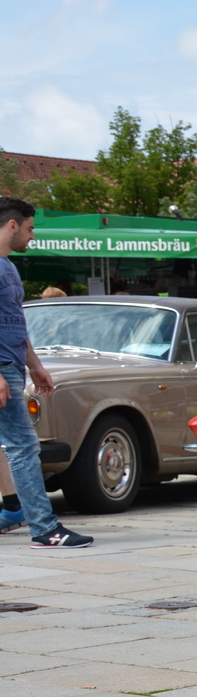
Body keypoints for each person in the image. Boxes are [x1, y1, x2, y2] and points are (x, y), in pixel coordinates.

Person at [0, 198, 92, 549]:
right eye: (29, 228)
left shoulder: (7, 267)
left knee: (18, 447)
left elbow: (14, 324)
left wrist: (35, 365)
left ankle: (31, 518)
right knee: (23, 447)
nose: (32, 236)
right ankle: (44, 527)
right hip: (2, 369)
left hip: (11, 366)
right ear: (12, 225)